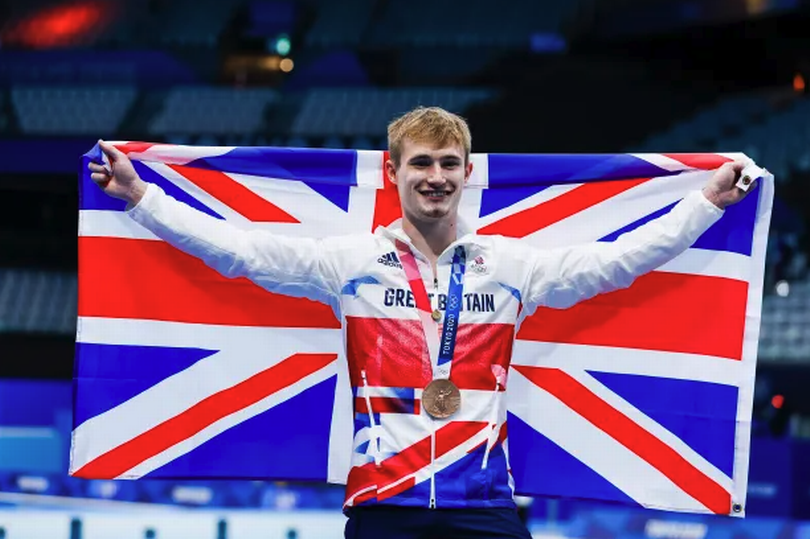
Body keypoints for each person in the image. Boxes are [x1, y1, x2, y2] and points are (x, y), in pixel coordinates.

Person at [88, 107, 754, 539]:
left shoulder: (510, 265)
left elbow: (618, 263)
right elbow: (237, 251)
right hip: (384, 509)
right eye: (421, 163)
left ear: (467, 173)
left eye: (448, 165)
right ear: (393, 170)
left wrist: (706, 203)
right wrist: (142, 198)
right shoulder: (348, 261)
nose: (435, 178)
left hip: (486, 507)